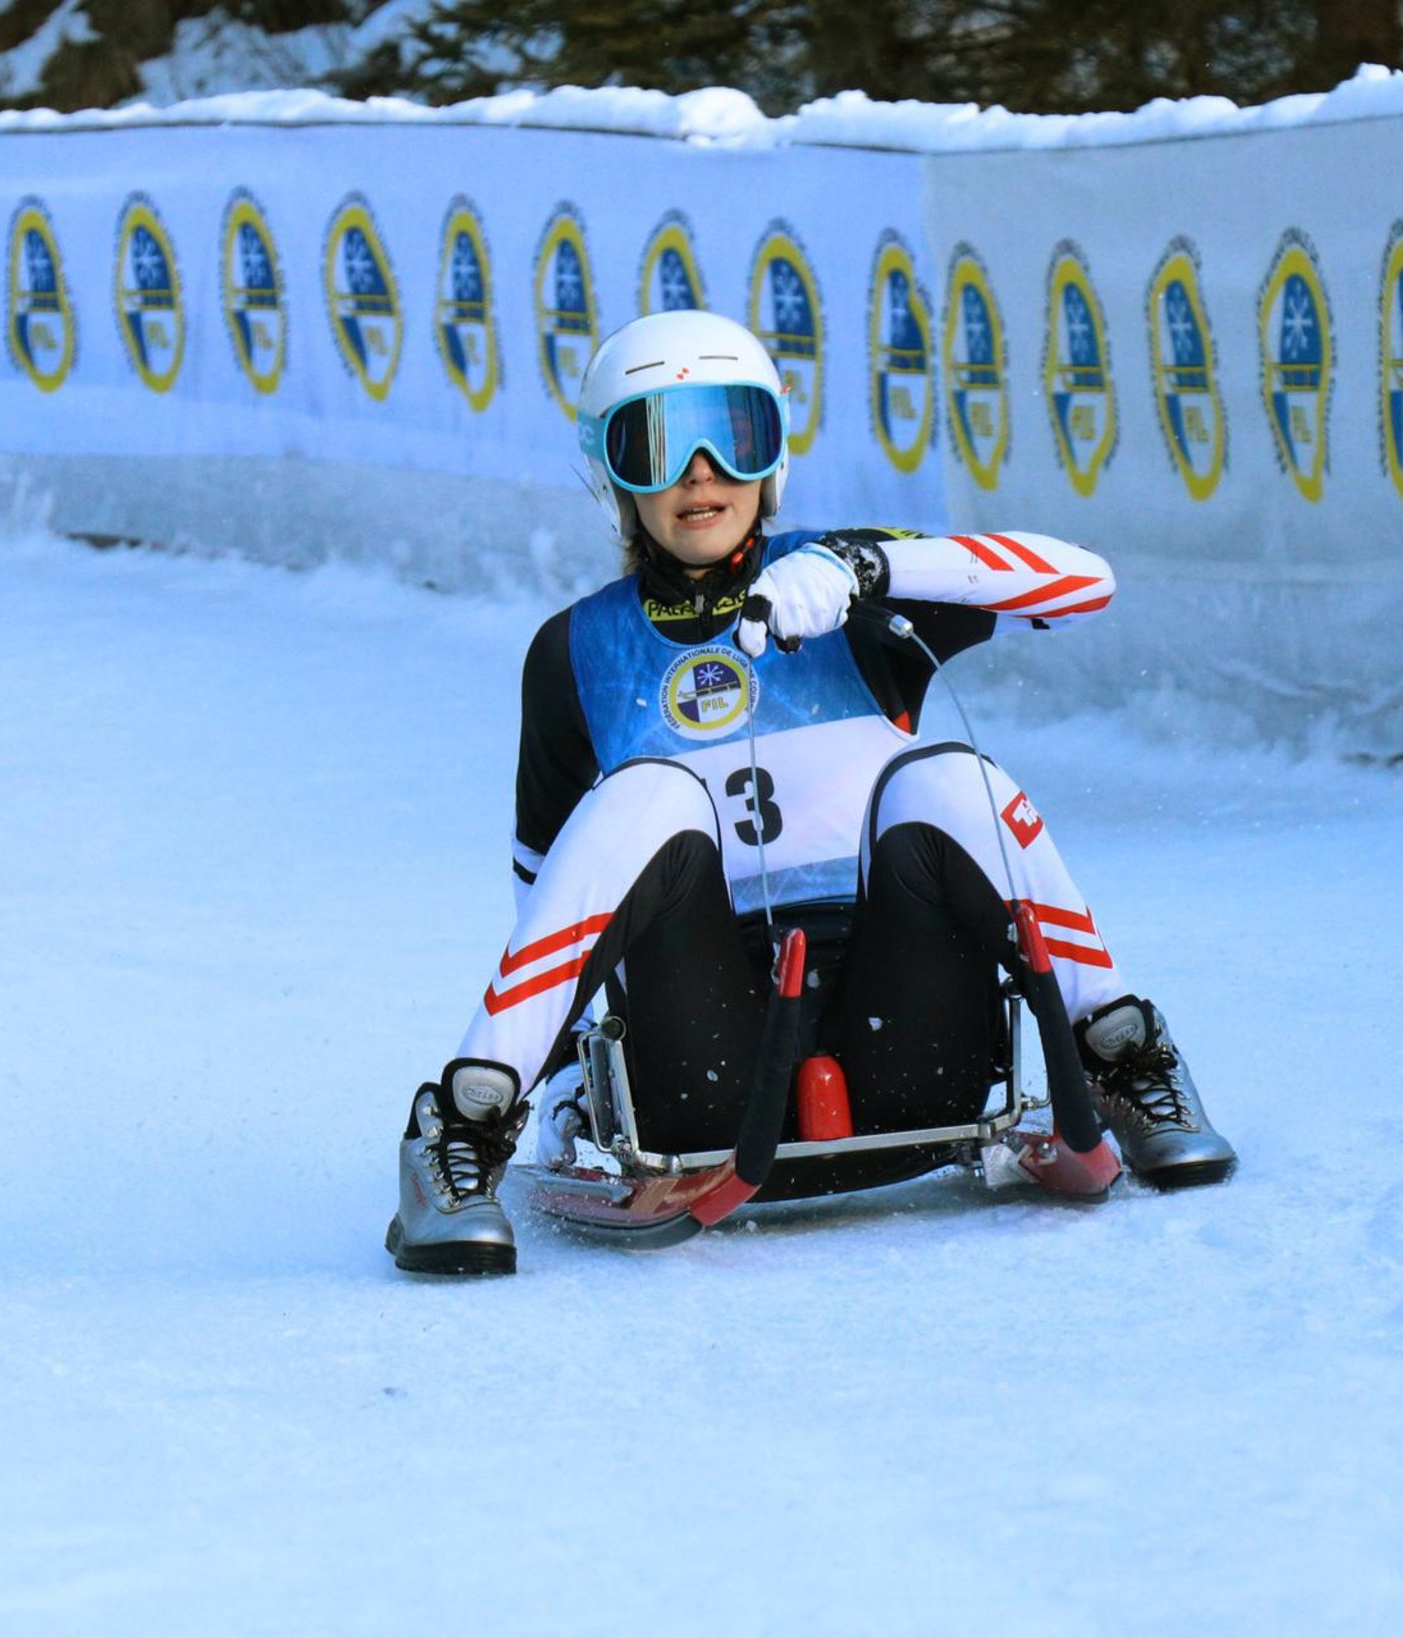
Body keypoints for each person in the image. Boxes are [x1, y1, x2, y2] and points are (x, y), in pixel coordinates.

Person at [385, 309, 1234, 1277]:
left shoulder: (854, 587)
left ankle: (1124, 1058)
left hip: (909, 1049)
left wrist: (871, 571)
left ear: (770, 456)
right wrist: (582, 1075)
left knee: (952, 778)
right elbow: (544, 894)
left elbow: (1084, 583)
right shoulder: (572, 653)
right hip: (704, 1065)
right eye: (657, 444)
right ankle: (460, 1127)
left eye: (727, 435)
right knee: (646, 799)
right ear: (613, 475)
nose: (698, 472)